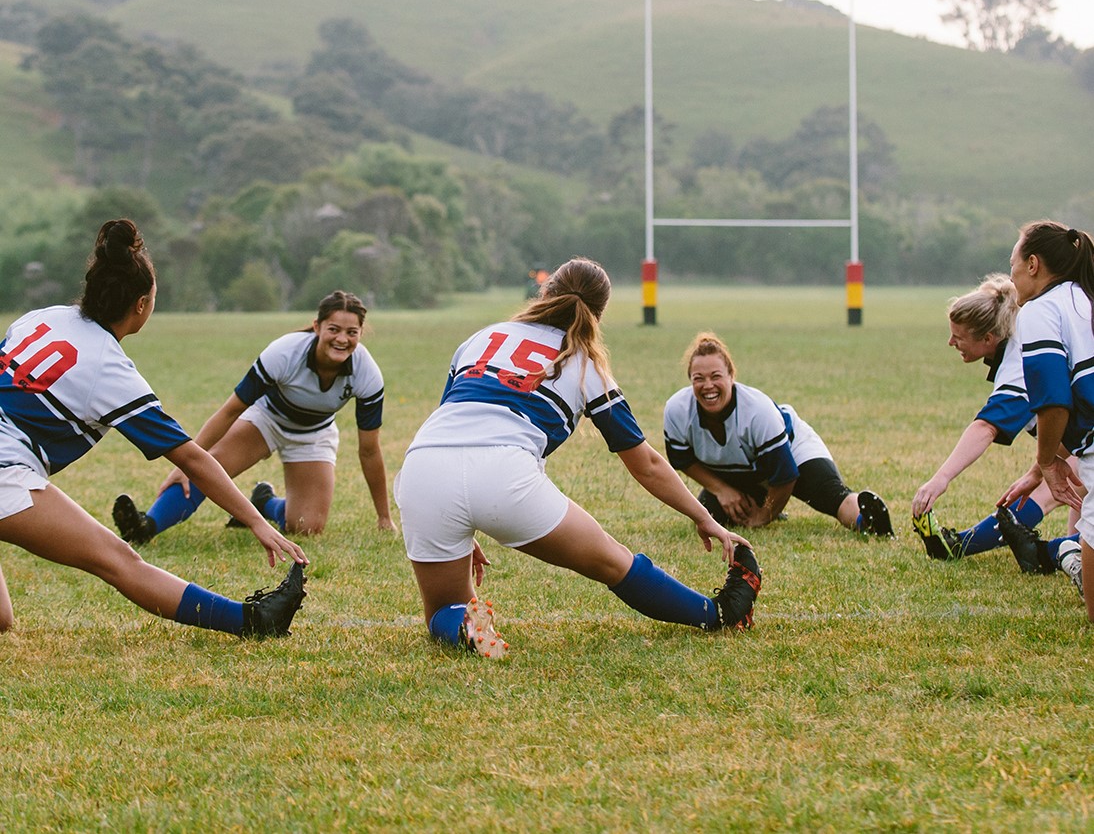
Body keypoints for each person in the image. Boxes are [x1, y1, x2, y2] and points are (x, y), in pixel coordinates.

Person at [394, 258, 762, 657]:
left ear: (545, 292)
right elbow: (647, 464)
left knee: (442, 610)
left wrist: (460, 528)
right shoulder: (587, 364)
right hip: (503, 474)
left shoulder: (482, 337)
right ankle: (716, 614)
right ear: (598, 314)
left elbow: (456, 419)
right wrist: (704, 517)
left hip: (424, 467)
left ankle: (465, 625)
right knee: (613, 563)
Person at [0, 219, 308, 638]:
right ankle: (253, 622)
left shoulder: (42, 318)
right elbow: (192, 458)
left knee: (1, 617)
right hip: (5, 472)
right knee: (118, 559)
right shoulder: (110, 370)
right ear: (142, 305)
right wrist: (256, 521)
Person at [113, 290, 393, 545]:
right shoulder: (284, 353)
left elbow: (369, 451)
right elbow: (230, 410)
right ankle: (146, 526)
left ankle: (265, 502)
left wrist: (384, 518)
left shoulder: (367, 374)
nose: (342, 339)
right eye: (334, 329)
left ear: (360, 334)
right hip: (266, 420)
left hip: (314, 434)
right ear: (317, 327)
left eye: (351, 332)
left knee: (306, 527)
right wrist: (188, 460)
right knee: (206, 470)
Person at [911, 274, 1078, 564]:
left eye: (958, 336)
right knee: (1072, 479)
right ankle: (1070, 556)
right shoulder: (1025, 332)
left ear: (988, 338)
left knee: (1073, 478)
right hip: (1083, 440)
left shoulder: (1018, 362)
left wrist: (940, 479)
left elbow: (985, 428)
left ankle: (1050, 553)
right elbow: (1068, 435)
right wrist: (1038, 470)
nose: (950, 342)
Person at [663, 331, 893, 535]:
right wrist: (721, 489)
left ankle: (868, 521)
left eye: (716, 376)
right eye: (698, 378)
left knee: (832, 496)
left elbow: (785, 475)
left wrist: (764, 516)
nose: (708, 385)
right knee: (710, 515)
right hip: (745, 468)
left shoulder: (757, 411)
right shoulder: (678, 410)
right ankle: (762, 498)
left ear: (732, 376)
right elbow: (682, 459)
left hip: (792, 451)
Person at [997, 220, 1094, 616]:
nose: (1011, 275)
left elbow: (1054, 402)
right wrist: (1042, 470)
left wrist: (1045, 461)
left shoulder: (1039, 310)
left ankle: (1069, 550)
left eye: (1013, 263)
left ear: (1033, 264)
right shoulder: (1084, 297)